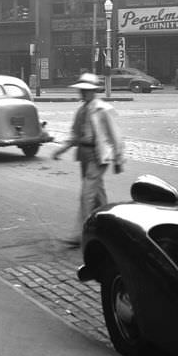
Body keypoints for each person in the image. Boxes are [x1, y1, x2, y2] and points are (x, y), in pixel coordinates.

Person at [52, 72, 125, 248]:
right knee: (98, 196)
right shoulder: (81, 110)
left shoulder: (102, 109)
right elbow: (75, 135)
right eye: (81, 90)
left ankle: (83, 235)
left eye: (86, 90)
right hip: (84, 155)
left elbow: (115, 136)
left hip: (97, 156)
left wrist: (118, 159)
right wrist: (62, 149)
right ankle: (110, 229)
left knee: (87, 195)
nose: (83, 93)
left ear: (94, 91)